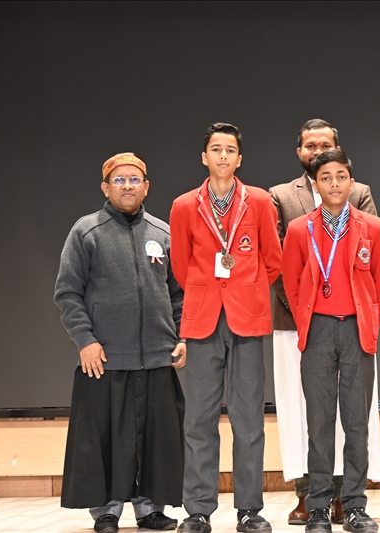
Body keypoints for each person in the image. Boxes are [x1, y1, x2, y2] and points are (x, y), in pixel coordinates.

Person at [54, 152, 185, 533]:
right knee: (107, 440)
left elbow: (179, 294)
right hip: (106, 358)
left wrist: (182, 336)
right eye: (119, 180)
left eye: (134, 179)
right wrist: (85, 340)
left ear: (146, 186)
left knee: (154, 441)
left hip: (157, 358)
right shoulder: (86, 232)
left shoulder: (162, 233)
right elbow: (67, 292)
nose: (127, 186)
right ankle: (107, 511)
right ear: (105, 187)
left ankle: (151, 510)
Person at [269, 119, 380, 526]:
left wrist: (367, 319)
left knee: (356, 422)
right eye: (325, 178)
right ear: (315, 185)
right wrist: (306, 319)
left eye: (341, 176)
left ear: (351, 181)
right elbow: (291, 278)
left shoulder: (373, 227)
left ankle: (354, 504)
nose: (334, 183)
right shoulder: (300, 229)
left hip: (355, 330)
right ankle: (318, 505)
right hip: (317, 330)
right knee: (318, 421)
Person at [170, 123, 282, 533]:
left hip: (247, 317)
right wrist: (209, 290)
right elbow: (180, 266)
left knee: (248, 418)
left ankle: (249, 509)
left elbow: (273, 261)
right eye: (215, 149)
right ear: (204, 157)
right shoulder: (185, 205)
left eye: (229, 150)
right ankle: (198, 510)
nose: (222, 156)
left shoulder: (260, 201)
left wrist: (244, 289)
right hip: (203, 318)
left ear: (239, 159)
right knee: (199, 419)